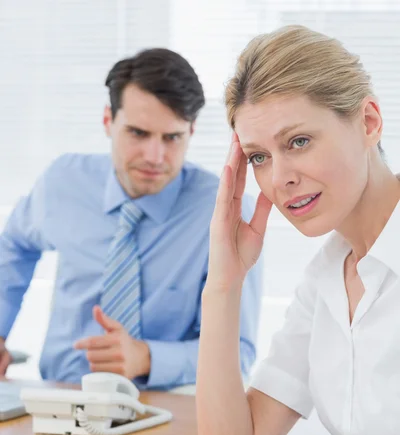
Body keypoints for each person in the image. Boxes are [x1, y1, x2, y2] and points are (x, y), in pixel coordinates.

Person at [150, 24, 400, 435]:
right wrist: (225, 281)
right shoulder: (329, 277)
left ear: (367, 122)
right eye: (259, 156)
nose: (280, 177)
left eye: (299, 142)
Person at [0, 48, 262, 389]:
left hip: (162, 411)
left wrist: (147, 357)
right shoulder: (63, 182)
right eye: (138, 133)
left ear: (192, 131)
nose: (154, 157)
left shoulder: (227, 211)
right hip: (56, 398)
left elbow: (239, 353)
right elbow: (15, 246)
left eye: (172, 138)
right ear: (108, 121)